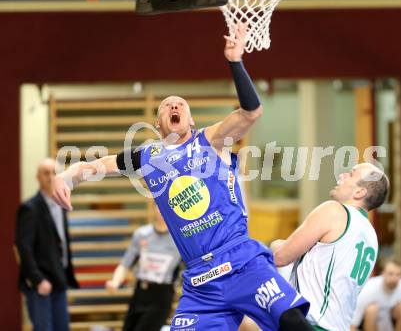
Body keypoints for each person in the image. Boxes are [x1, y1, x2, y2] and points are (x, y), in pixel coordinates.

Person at [51, 23, 312, 331]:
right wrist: (68, 175)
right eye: (166, 106)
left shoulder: (210, 139)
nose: (173, 105)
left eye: (181, 104)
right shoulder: (146, 157)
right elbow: (97, 165)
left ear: (191, 119)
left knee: (291, 320)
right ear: (158, 124)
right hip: (201, 280)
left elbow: (251, 112)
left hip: (242, 260)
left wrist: (235, 62)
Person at [271, 163, 389, 331]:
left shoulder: (334, 211)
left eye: (351, 174)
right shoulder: (371, 236)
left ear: (359, 192)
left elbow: (280, 257)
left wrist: (276, 244)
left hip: (310, 324)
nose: (342, 175)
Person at [15, 158, 79, 331]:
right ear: (38, 177)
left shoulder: (60, 203)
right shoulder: (30, 208)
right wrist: (38, 280)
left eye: (54, 172)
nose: (51, 177)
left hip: (59, 279)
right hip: (41, 285)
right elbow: (23, 248)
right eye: (46, 173)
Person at [106, 205, 181, 331]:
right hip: (140, 292)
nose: (161, 211)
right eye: (159, 207)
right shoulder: (142, 234)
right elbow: (126, 263)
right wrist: (115, 281)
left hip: (162, 294)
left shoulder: (179, 239)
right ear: (154, 209)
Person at [351, 258, 401, 331]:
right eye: (390, 274)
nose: (394, 278)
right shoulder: (369, 288)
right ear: (383, 273)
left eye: (398, 274)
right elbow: (353, 324)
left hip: (393, 324)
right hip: (370, 324)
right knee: (372, 310)